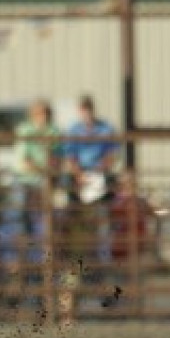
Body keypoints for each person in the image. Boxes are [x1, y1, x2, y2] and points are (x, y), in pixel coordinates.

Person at [62, 95, 117, 265]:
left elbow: (112, 154)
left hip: (99, 180)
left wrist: (97, 172)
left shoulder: (106, 129)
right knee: (77, 222)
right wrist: (79, 175)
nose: (86, 113)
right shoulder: (73, 130)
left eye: (88, 109)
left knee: (102, 221)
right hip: (79, 181)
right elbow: (70, 156)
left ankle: (103, 260)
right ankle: (78, 260)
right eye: (83, 110)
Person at [2, 99, 59, 265]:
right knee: (19, 216)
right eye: (40, 113)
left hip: (45, 181)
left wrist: (48, 171)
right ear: (32, 115)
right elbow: (24, 161)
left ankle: (46, 259)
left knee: (48, 219)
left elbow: (57, 157)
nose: (44, 117)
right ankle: (18, 259)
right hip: (25, 180)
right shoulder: (25, 130)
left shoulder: (53, 131)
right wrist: (45, 170)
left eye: (46, 113)